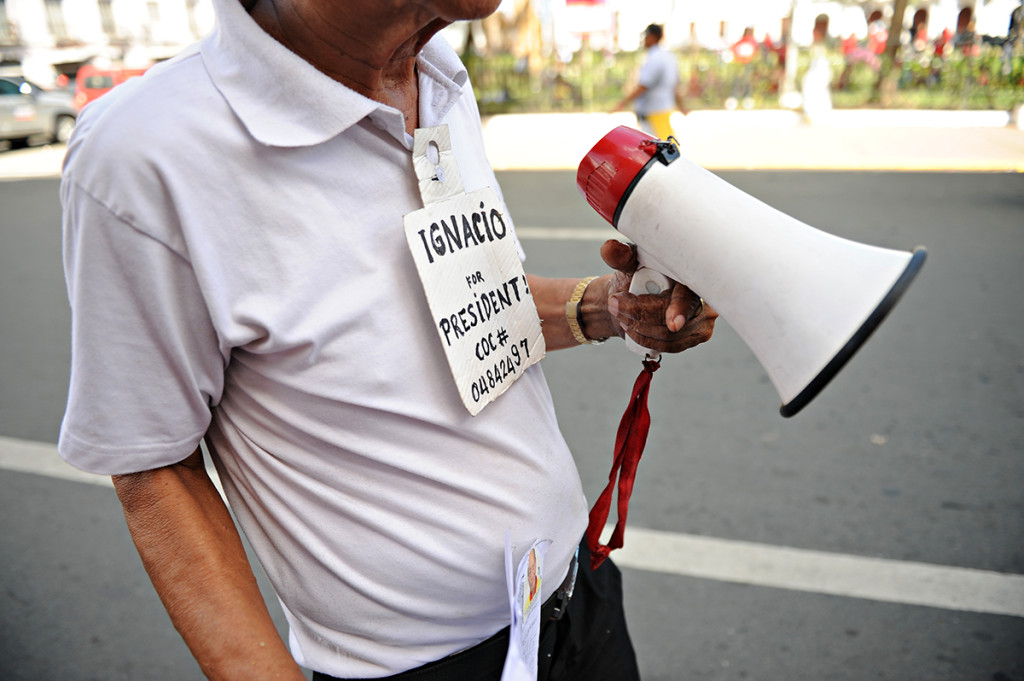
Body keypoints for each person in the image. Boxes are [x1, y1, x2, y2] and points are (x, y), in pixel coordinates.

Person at [58, 1, 717, 680]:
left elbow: (476, 308)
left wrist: (614, 307)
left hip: (578, 595)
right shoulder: (145, 151)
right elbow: (153, 465)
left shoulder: (439, 78)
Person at [615, 23, 682, 140]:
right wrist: (681, 104)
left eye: (645, 37)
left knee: (661, 148)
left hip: (653, 111)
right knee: (666, 145)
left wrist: (623, 102)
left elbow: (644, 86)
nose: (644, 40)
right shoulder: (669, 57)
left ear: (653, 37)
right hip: (663, 108)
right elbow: (674, 85)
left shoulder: (654, 58)